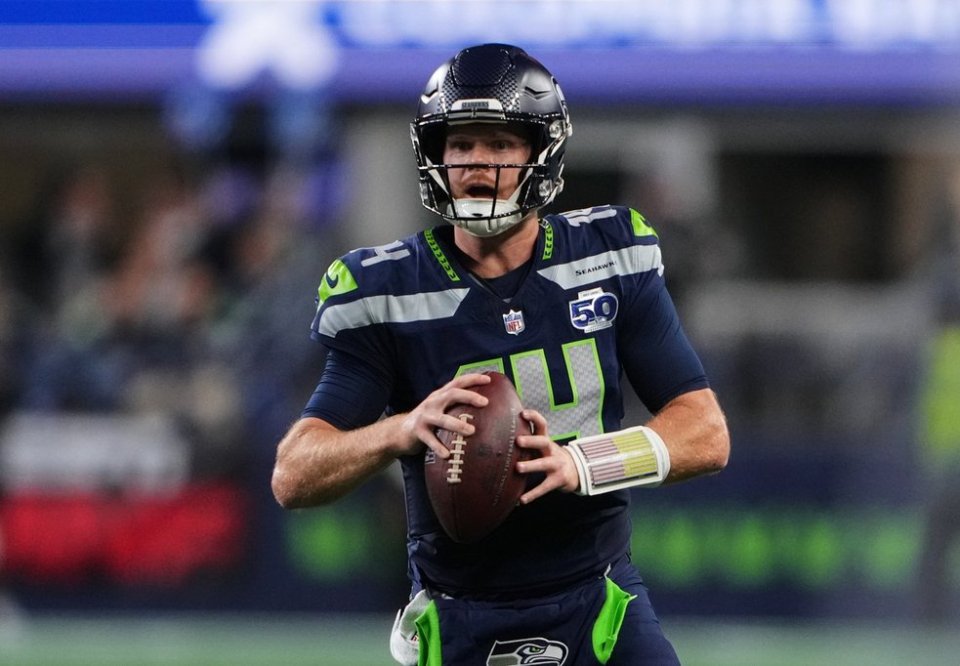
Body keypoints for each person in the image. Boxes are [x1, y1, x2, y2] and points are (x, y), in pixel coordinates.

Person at [271, 43, 730, 665]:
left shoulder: (609, 256)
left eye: (499, 145)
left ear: (541, 153)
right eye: (459, 145)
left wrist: (582, 464)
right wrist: (399, 430)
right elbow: (293, 474)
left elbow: (705, 432)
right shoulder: (387, 291)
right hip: (461, 613)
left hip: (598, 601)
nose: (475, 164)